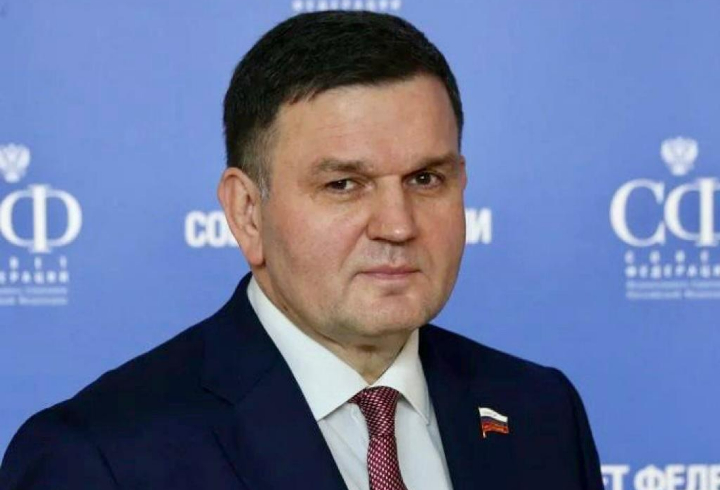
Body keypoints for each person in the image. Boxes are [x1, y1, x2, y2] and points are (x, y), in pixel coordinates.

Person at [0, 11, 603, 490]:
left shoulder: (540, 410)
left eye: (425, 179)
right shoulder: (100, 457)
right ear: (247, 212)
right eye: (344, 185)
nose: (398, 226)